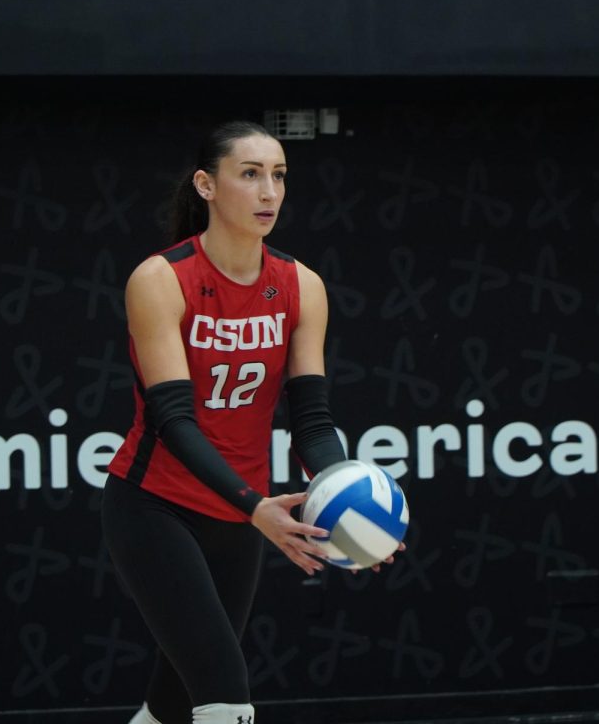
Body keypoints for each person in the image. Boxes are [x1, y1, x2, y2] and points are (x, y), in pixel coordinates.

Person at [101, 121, 391, 724]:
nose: (269, 192)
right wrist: (257, 507)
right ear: (206, 185)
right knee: (226, 694)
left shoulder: (301, 285)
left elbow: (313, 422)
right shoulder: (161, 279)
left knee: (171, 704)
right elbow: (173, 420)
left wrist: (350, 501)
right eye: (251, 174)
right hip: (156, 506)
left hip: (238, 516)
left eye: (279, 176)